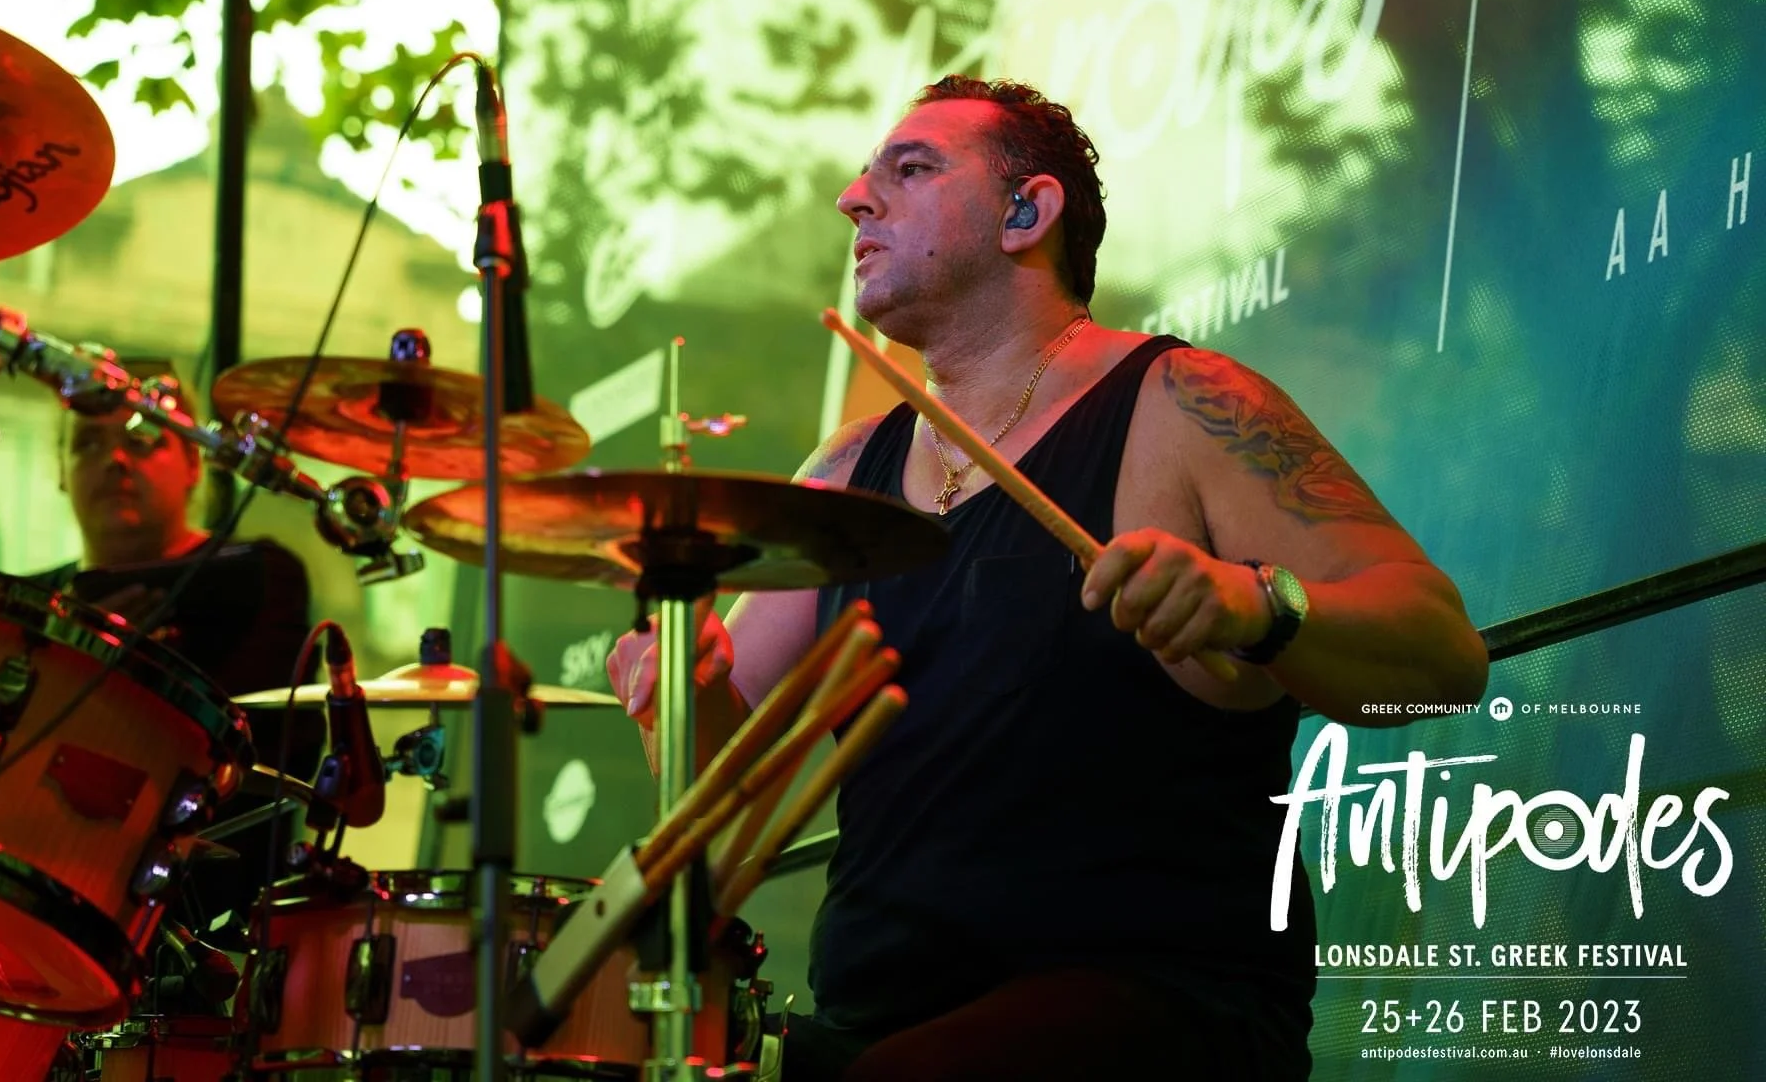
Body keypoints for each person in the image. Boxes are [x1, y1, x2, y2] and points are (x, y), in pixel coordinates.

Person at [608, 76, 1489, 1081]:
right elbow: (724, 807)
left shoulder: (1186, 404)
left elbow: (1443, 657)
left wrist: (1256, 605)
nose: (855, 199)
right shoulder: (843, 475)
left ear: (1027, 213)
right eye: (864, 177)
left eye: (910, 169)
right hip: (873, 1023)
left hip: (1160, 1005)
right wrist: (684, 688)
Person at [35, 379, 323, 955]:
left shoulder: (256, 582)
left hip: (207, 938)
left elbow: (259, 747)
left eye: (143, 438)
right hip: (41, 903)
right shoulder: (31, 603)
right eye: (87, 443)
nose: (115, 459)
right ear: (61, 471)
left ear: (195, 463)